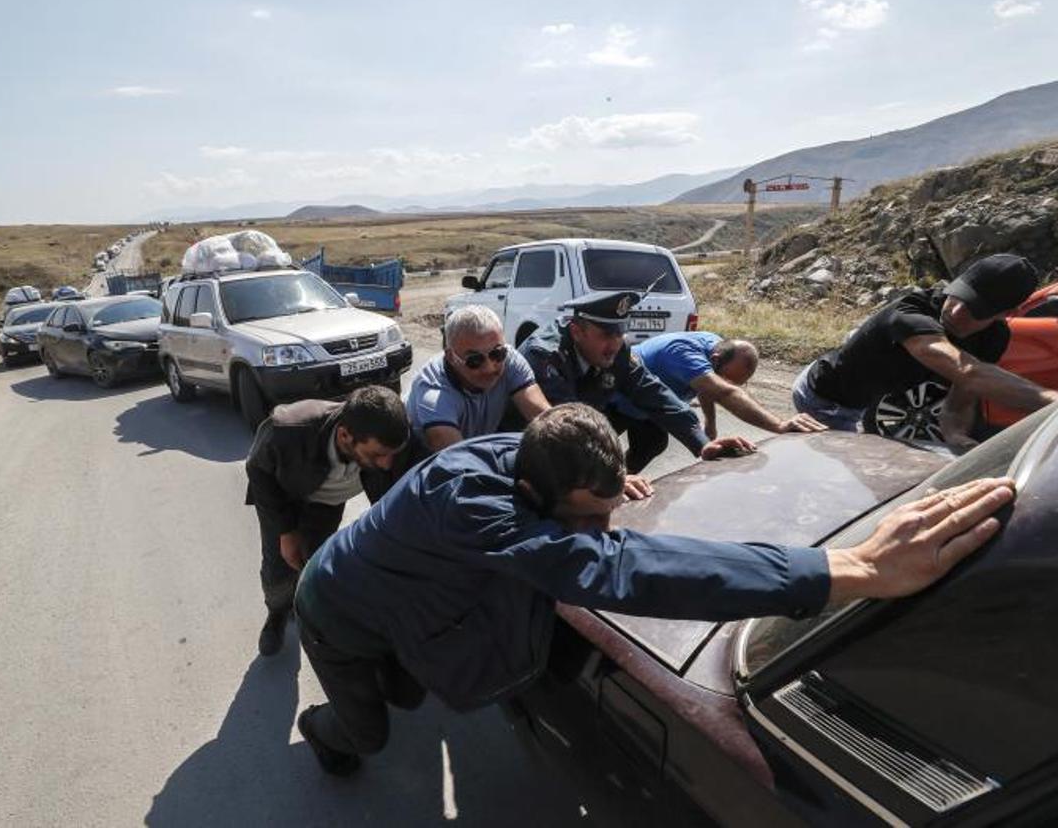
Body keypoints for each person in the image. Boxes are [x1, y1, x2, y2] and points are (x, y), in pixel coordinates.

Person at [292, 403, 1014, 775]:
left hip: (405, 604)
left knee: (408, 687)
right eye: (589, 518)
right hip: (335, 612)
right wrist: (849, 570)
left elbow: (597, 518)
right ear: (532, 493)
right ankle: (320, 730)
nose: (603, 528)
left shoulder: (539, 458)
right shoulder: (475, 506)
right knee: (371, 731)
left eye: (610, 509)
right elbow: (625, 569)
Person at [794, 253, 1058, 446]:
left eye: (975, 309)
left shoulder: (994, 338)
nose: (954, 311)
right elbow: (968, 372)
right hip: (821, 397)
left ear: (1006, 314)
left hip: (863, 399)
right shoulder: (910, 311)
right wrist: (1050, 400)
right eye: (959, 295)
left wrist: (955, 435)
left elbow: (959, 401)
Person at [244, 386, 410, 656]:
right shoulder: (288, 428)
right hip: (285, 499)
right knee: (279, 566)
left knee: (314, 560)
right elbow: (256, 468)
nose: (387, 464)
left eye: (392, 453)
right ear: (345, 435)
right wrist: (286, 532)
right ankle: (276, 613)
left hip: (327, 505)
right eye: (377, 455)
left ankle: (309, 611)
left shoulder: (392, 436)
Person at [517, 290, 754, 472]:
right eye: (606, 335)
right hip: (524, 450)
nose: (615, 344)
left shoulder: (615, 349)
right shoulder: (546, 356)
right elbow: (567, 430)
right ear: (577, 332)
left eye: (620, 333)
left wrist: (702, 443)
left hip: (561, 444)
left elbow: (652, 392)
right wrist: (611, 477)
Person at [406, 305, 550, 453]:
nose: (489, 368)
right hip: (424, 460)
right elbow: (457, 461)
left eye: (497, 354)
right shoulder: (434, 393)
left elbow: (546, 421)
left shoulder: (510, 359)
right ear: (450, 357)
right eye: (474, 360)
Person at [631, 331, 826, 438]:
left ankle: (620, 489)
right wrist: (779, 425)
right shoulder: (683, 354)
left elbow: (707, 387)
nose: (729, 385)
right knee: (604, 453)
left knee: (652, 443)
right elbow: (722, 392)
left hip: (649, 403)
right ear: (714, 360)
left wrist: (710, 424)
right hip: (618, 396)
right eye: (726, 380)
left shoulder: (716, 346)